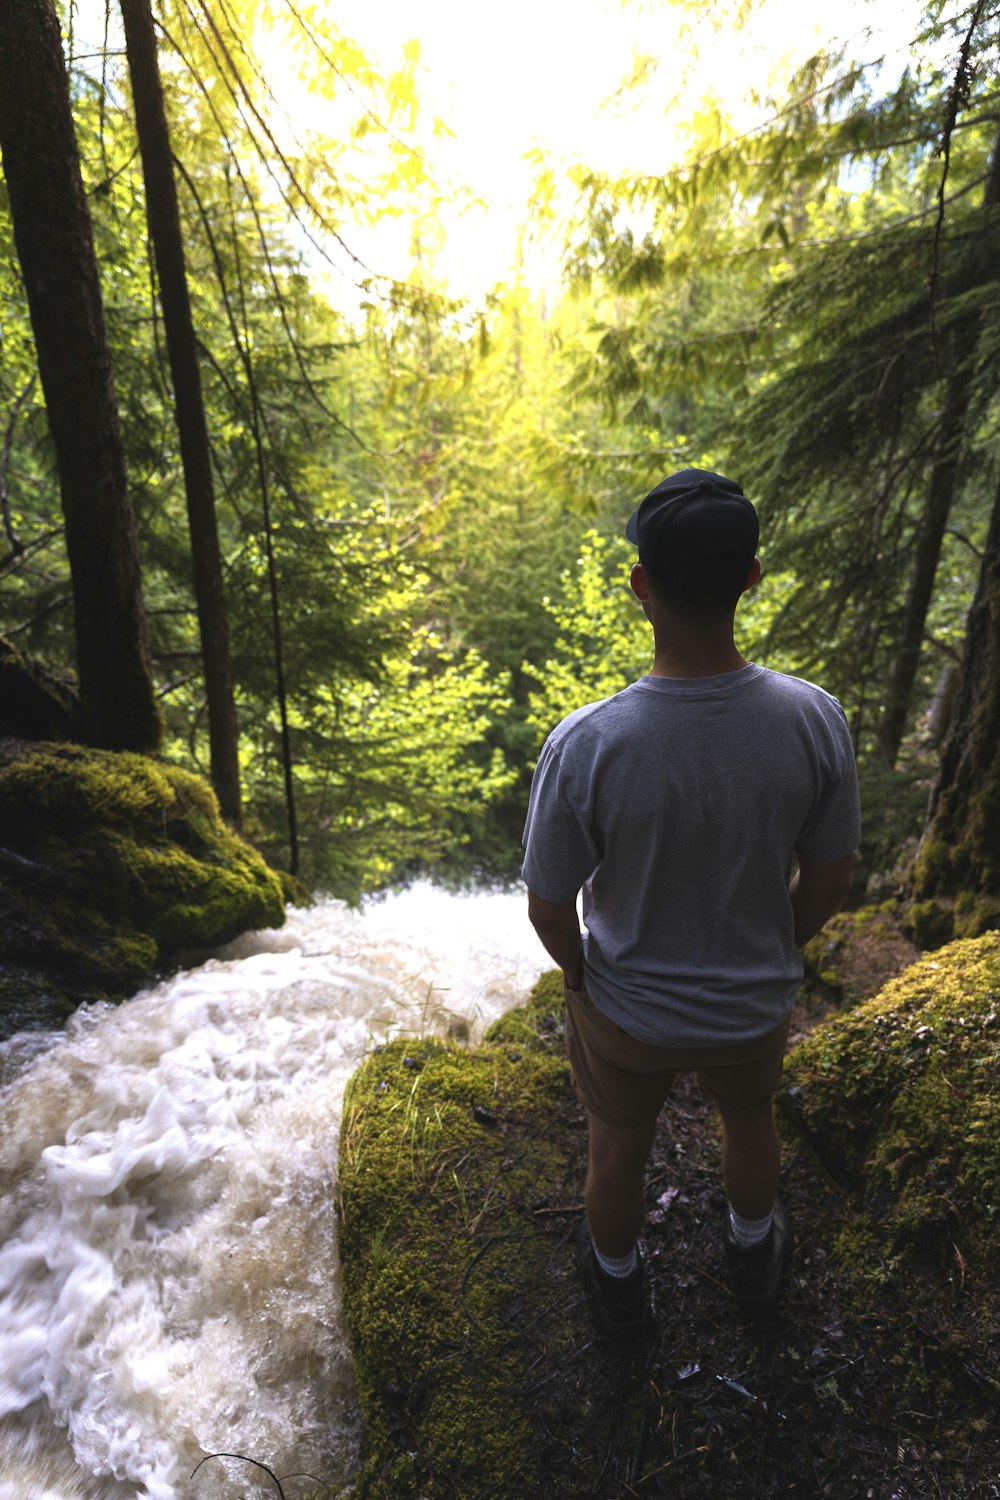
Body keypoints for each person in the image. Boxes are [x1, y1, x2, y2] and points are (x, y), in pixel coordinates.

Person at [522, 468, 861, 1338]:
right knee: (748, 1116)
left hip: (629, 1010)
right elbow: (830, 876)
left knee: (617, 1144)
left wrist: (586, 978)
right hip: (752, 1001)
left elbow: (550, 907)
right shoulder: (815, 721)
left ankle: (619, 1280)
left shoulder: (588, 743)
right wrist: (773, 945)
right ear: (751, 579)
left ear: (641, 587)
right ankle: (752, 1248)